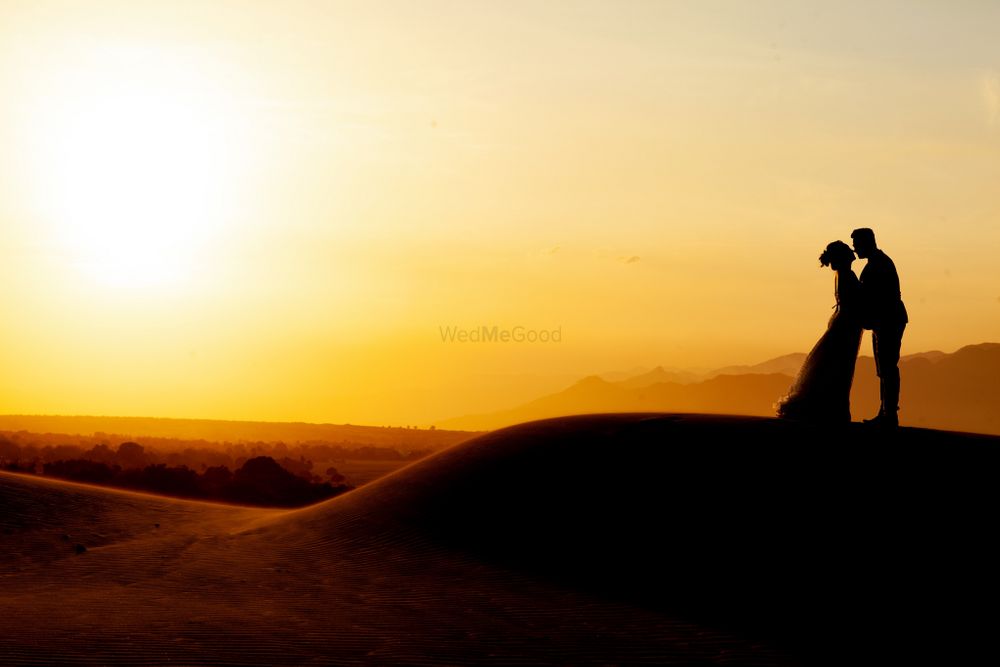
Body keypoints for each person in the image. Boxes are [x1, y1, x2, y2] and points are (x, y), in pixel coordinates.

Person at [776, 241, 864, 423]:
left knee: (832, 366)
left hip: (843, 322)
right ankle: (832, 410)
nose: (853, 254)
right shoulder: (847, 274)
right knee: (839, 368)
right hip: (846, 325)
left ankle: (830, 408)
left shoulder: (841, 274)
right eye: (849, 252)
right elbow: (855, 301)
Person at [851, 228, 907, 428]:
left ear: (867, 242)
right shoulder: (875, 263)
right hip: (882, 322)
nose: (855, 249)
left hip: (889, 321)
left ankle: (889, 414)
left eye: (857, 245)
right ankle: (885, 412)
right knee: (884, 368)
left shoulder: (881, 264)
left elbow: (884, 297)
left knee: (888, 367)